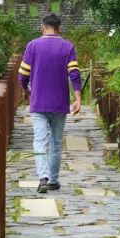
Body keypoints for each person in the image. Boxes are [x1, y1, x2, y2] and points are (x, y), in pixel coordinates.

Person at [18, 13, 82, 193]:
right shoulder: (68, 46)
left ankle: (43, 177)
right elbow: (74, 73)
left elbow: (23, 75)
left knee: (39, 140)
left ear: (42, 27)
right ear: (59, 28)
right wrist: (78, 98)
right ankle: (54, 180)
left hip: (38, 102)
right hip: (60, 103)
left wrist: (25, 90)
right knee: (56, 141)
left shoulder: (32, 46)